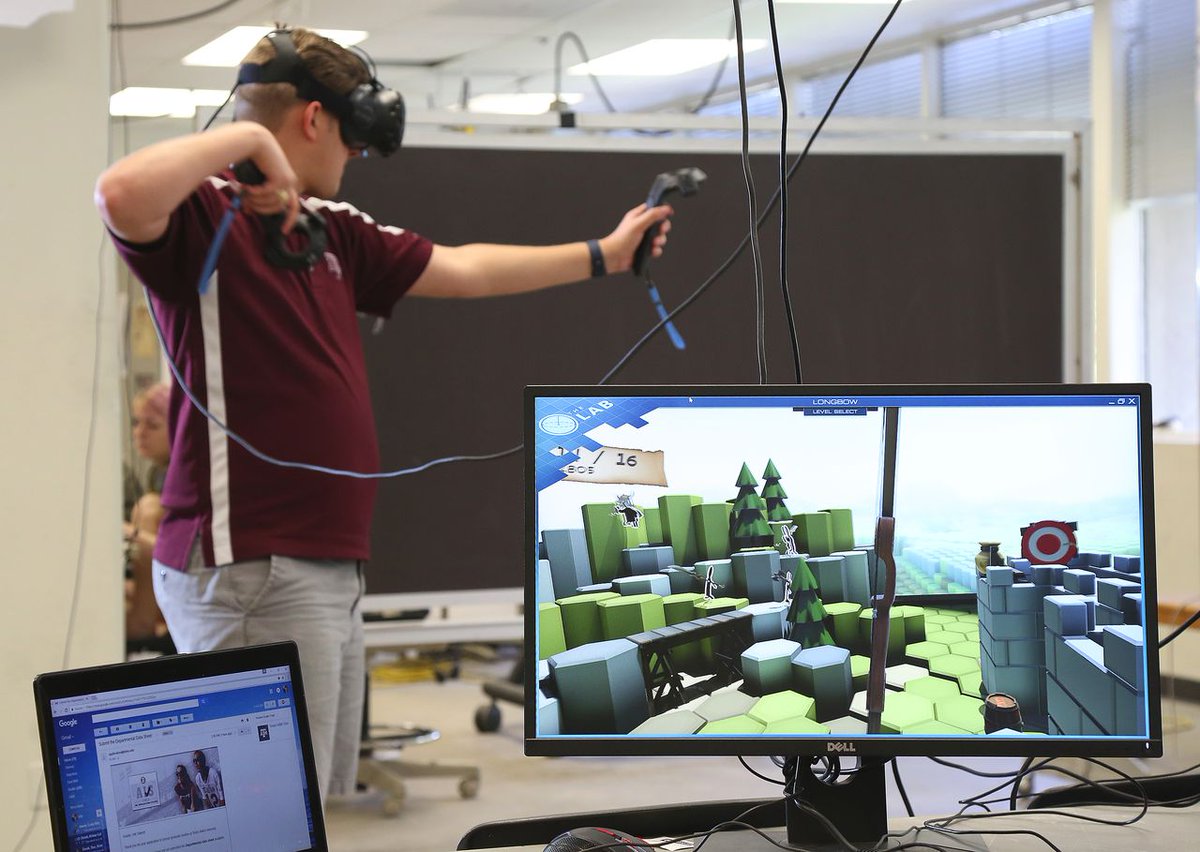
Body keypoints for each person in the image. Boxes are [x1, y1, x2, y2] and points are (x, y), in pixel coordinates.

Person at [93, 27, 672, 800]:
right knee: (266, 815)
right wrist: (248, 138)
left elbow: (464, 268)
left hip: (320, 566)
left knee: (318, 804)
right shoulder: (207, 217)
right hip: (249, 566)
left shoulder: (331, 231)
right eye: (353, 140)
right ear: (313, 120)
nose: (354, 160)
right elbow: (121, 193)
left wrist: (606, 253)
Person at [123, 382, 173, 646]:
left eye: (152, 426)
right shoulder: (157, 474)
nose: (140, 433)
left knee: (148, 507)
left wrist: (131, 535)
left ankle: (143, 622)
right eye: (136, 423)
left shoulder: (180, 481)